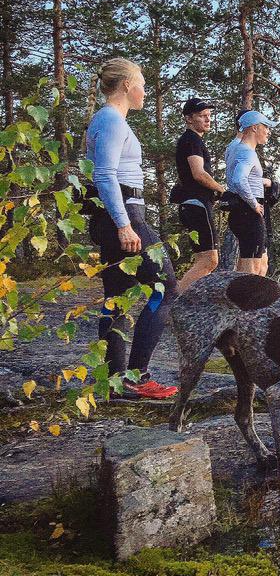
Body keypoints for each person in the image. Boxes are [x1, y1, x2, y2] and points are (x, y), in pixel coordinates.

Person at [85, 58, 179, 399]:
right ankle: (137, 376)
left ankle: (113, 381)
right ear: (126, 85)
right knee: (166, 291)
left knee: (118, 299)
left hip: (114, 216)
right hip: (124, 215)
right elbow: (105, 175)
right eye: (141, 83)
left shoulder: (106, 119)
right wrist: (125, 225)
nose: (144, 91)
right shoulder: (111, 119)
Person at [174, 97, 226, 293]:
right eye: (202, 116)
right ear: (188, 118)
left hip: (193, 204)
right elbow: (199, 173)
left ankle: (183, 302)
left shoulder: (192, 140)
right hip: (197, 204)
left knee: (202, 259)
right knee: (209, 260)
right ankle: (175, 302)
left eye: (209, 115)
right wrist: (222, 190)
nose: (208, 119)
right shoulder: (191, 140)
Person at [227, 110, 275, 275]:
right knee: (252, 270)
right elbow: (239, 179)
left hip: (242, 211)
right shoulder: (246, 152)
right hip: (248, 212)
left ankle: (240, 300)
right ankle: (247, 301)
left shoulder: (238, 148)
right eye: (266, 127)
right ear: (254, 128)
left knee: (253, 264)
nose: (268, 131)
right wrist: (254, 204)